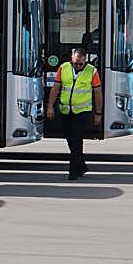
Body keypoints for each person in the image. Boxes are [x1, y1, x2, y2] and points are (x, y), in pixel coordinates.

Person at [46, 47, 102, 181]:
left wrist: (98, 113)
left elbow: (98, 93)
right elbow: (55, 88)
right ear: (72, 58)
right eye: (75, 63)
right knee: (70, 139)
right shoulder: (63, 68)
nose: (78, 66)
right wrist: (50, 106)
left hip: (82, 111)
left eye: (80, 64)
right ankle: (81, 165)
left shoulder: (92, 71)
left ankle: (74, 171)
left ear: (85, 60)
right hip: (65, 110)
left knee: (76, 140)